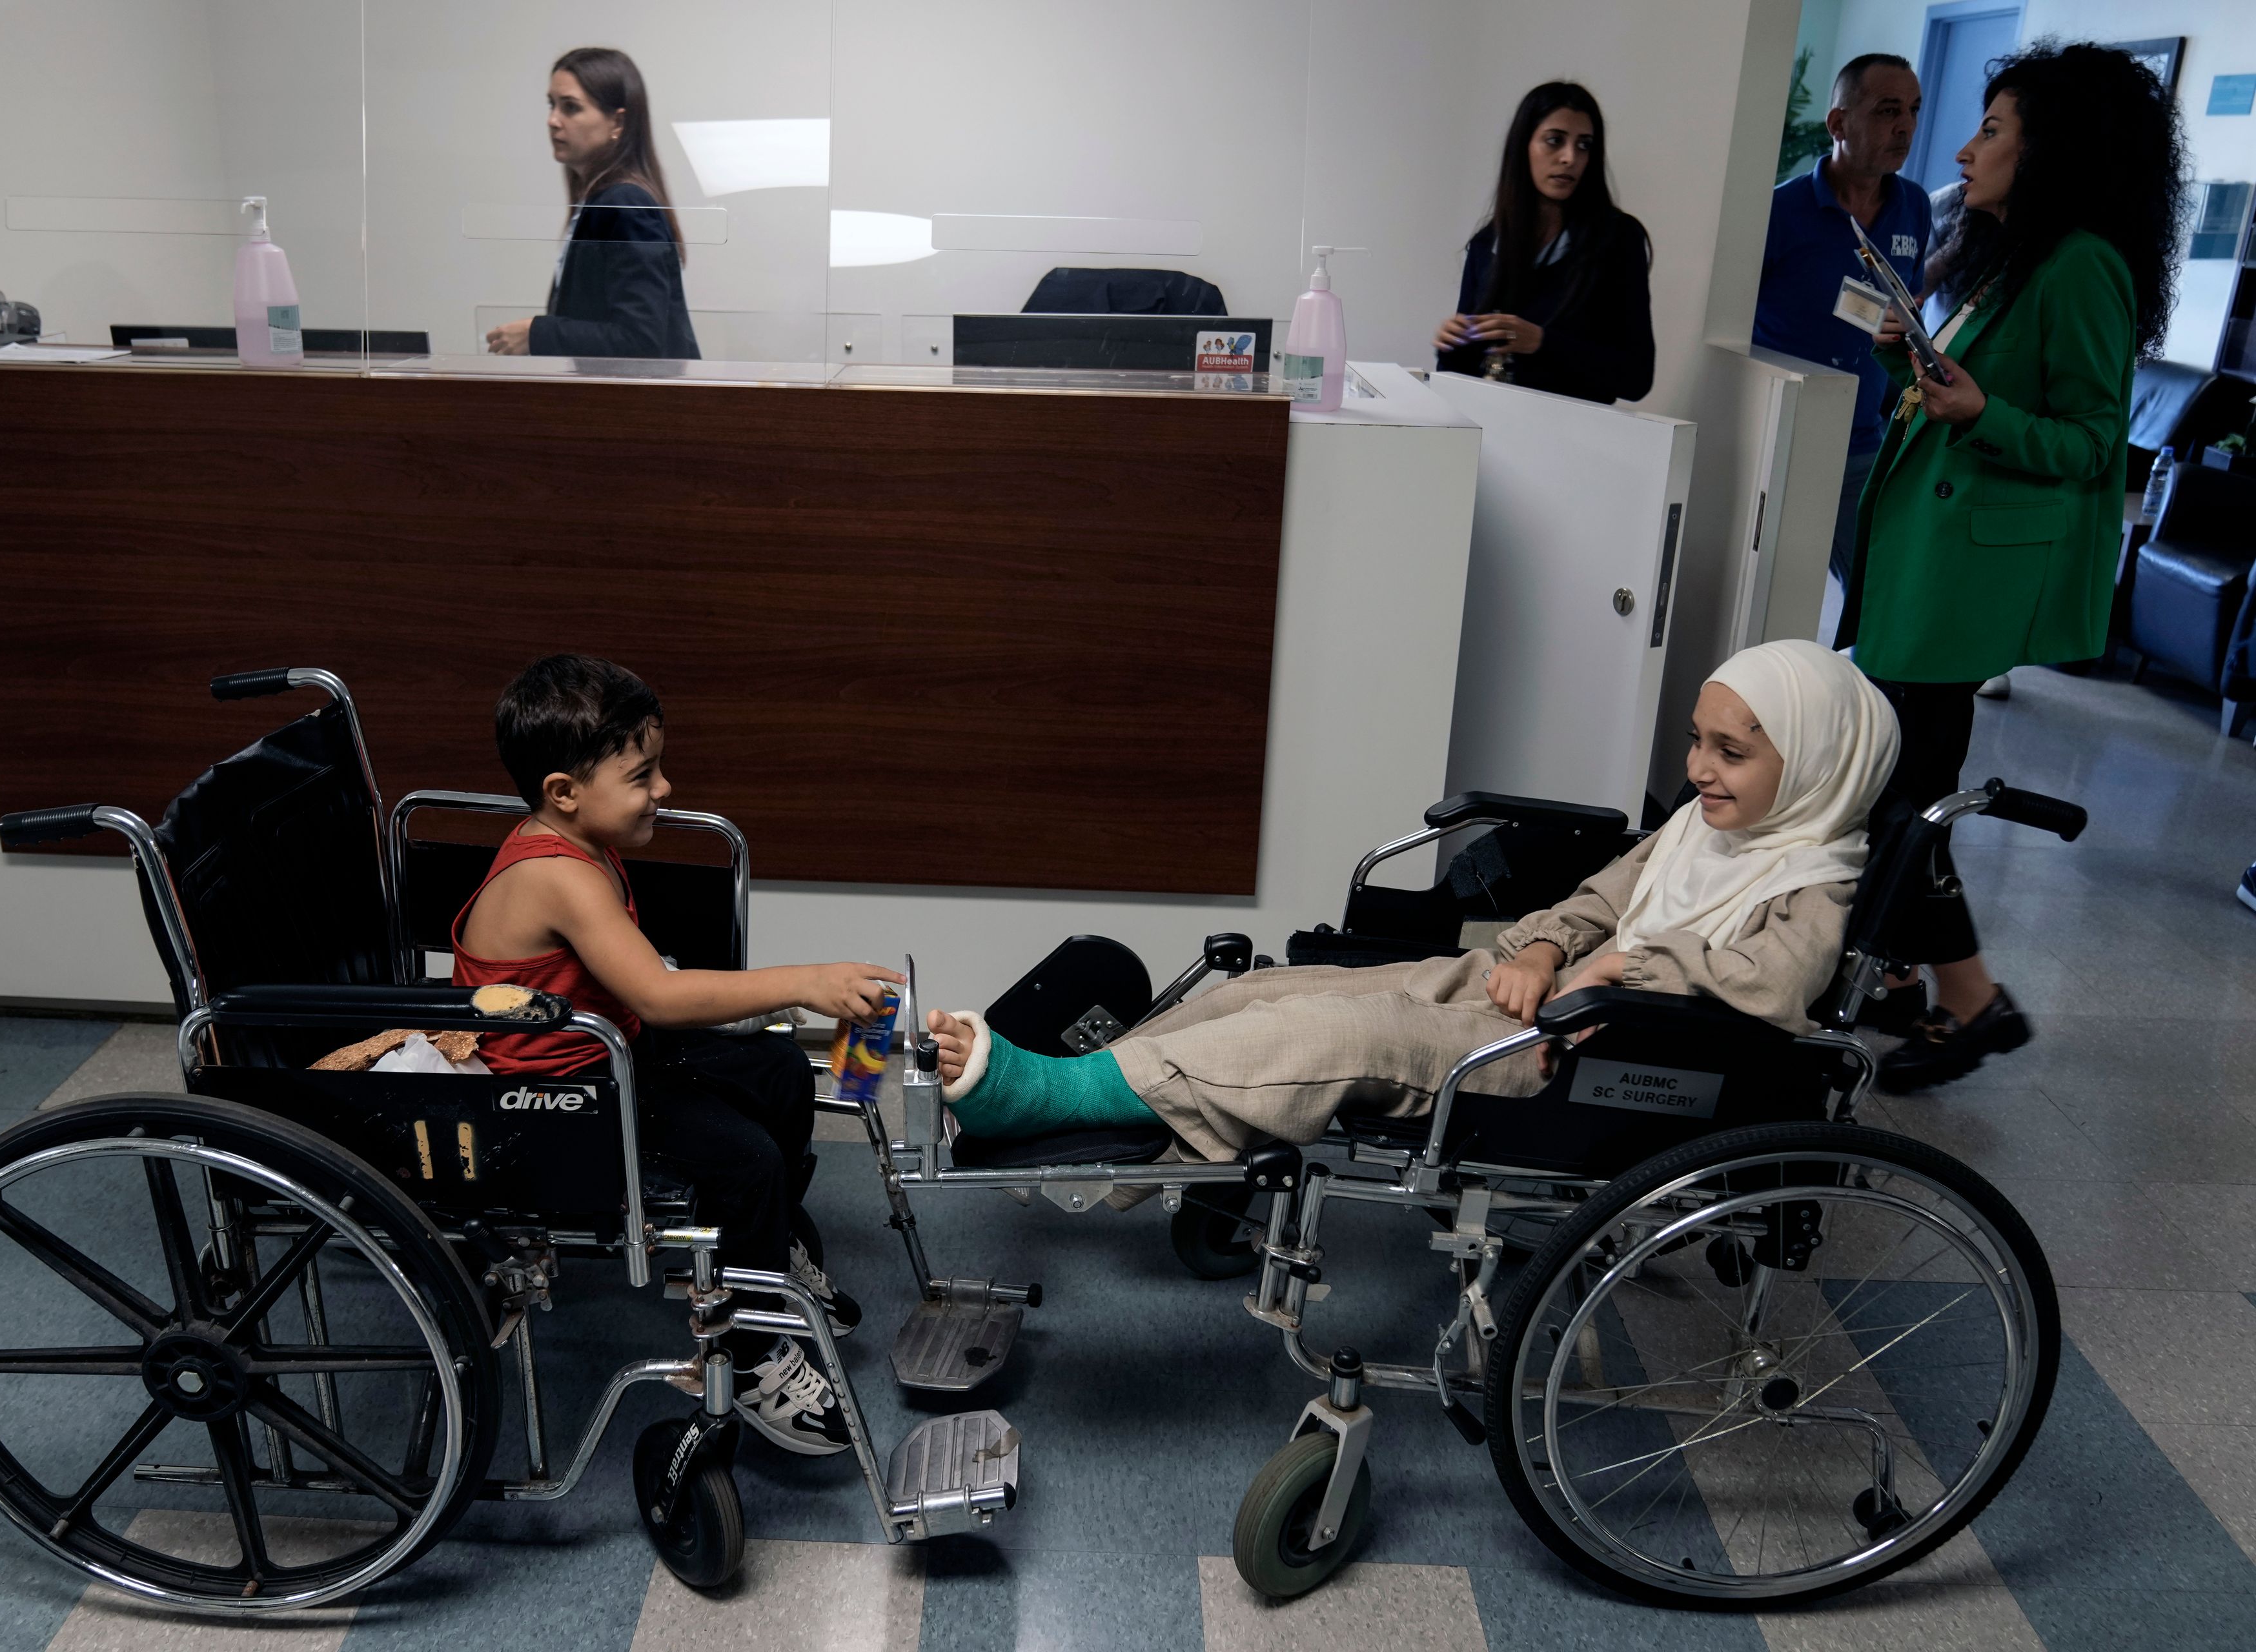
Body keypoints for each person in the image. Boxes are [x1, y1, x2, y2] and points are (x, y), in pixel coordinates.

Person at [921, 641, 1897, 1161]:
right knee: (1279, 992)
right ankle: (1092, 1097)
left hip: (1587, 1059)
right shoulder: (1702, 829)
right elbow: (1602, 896)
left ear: (1813, 765)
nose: (1697, 770)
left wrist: (1622, 973)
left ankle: (1044, 1098)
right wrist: (1550, 952)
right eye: (1697, 742)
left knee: (1345, 1042)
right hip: (1531, 998)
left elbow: (1774, 991)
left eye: (1732, 753)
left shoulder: (1811, 878)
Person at [1837, 42, 2188, 1091]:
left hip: (1964, 586)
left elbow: (2092, 444)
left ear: (2052, 148)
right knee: (1893, 782)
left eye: (1991, 129)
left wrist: (1980, 409)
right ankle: (1899, 983)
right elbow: (1968, 395)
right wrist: (1914, 356)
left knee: (1907, 799)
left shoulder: (2083, 265)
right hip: (1925, 566)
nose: (1962, 147)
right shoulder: (2016, 257)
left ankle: (1975, 1000)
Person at [451, 654, 900, 1453]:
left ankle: (764, 1252)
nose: (664, 789)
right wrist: (803, 981)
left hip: (612, 1052)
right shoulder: (557, 877)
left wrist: (760, 1004)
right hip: (561, 1098)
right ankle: (751, 1352)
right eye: (643, 774)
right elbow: (658, 999)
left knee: (782, 1072)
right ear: (565, 792)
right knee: (746, 1160)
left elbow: (634, 973)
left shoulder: (578, 843)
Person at [1751, 54, 1931, 596]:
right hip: (1782, 435)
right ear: (1838, 124)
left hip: (1860, 436)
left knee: (1879, 590)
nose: (1905, 126)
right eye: (1887, 111)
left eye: (1914, 111)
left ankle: (1884, 683)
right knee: (1772, 596)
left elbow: (1905, 303)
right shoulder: (1779, 212)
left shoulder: (1915, 207)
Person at [1434, 83, 1654, 405]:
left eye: (1584, 146)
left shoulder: (1618, 239)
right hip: (1492, 430)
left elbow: (1636, 378)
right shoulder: (1487, 243)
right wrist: (1452, 344)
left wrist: (1542, 342)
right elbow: (1462, 377)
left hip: (1577, 440)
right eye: (1555, 141)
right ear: (1523, 145)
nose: (1570, 158)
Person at [484, 47, 700, 361]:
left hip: (641, 406)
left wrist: (537, 333)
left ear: (617, 123)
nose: (553, 121)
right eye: (552, 105)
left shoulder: (625, 203)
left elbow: (639, 339)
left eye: (570, 108)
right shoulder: (600, 200)